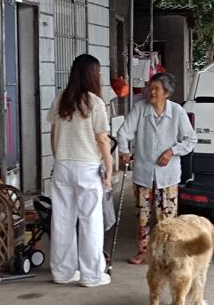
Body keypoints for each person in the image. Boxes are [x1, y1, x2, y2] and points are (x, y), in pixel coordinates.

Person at [117, 72, 198, 264]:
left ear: (166, 93)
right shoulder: (140, 108)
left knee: (167, 219)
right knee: (143, 217)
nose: (151, 92)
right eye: (150, 88)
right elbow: (123, 133)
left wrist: (172, 151)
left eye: (156, 89)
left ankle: (168, 254)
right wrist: (124, 151)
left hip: (168, 175)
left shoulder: (177, 111)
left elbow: (190, 139)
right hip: (143, 173)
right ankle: (143, 252)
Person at [47, 54, 113, 286]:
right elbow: (102, 139)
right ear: (92, 75)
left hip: (62, 165)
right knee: (90, 221)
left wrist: (59, 157)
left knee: (62, 220)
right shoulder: (95, 103)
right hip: (87, 167)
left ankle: (62, 272)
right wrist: (109, 166)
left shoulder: (61, 99)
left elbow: (53, 134)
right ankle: (92, 275)